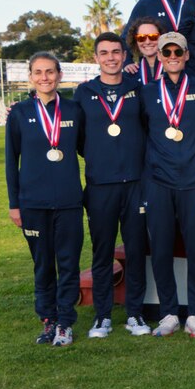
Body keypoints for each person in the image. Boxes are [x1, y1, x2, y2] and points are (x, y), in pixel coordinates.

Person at [5, 52, 85, 347]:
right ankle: (48, 320)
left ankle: (65, 321)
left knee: (68, 264)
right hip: (33, 204)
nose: (44, 77)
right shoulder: (19, 112)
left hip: (68, 203)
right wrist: (15, 204)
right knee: (42, 266)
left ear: (59, 75)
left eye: (50, 72)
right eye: (38, 72)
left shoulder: (74, 110)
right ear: (30, 77)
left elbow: (89, 149)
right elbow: (11, 162)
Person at [74, 33, 150, 338]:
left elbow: (149, 129)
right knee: (102, 251)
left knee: (135, 250)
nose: (110, 58)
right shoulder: (83, 92)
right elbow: (78, 138)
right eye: (104, 53)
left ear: (124, 56)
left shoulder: (138, 89)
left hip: (135, 184)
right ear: (96, 57)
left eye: (116, 52)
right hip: (100, 185)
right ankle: (102, 316)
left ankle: (135, 314)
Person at [139, 32, 195, 338]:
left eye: (177, 51)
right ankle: (169, 312)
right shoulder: (146, 92)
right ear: (158, 56)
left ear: (186, 55)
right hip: (159, 181)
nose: (172, 56)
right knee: (161, 250)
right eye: (166, 51)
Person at [124, 17, 168, 85]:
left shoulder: (174, 67)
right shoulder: (131, 73)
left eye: (153, 37)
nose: (147, 42)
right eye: (141, 38)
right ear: (135, 41)